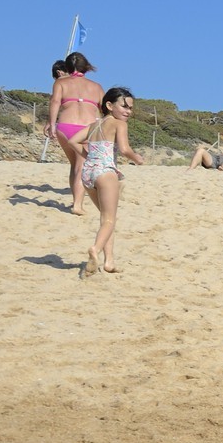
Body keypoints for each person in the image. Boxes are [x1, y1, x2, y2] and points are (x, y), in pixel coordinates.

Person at [68, 86, 143, 276]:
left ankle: (109, 262)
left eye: (130, 108)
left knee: (106, 218)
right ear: (109, 105)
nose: (127, 111)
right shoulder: (119, 124)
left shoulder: (94, 125)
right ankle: (96, 249)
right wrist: (137, 159)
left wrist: (89, 156)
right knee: (110, 219)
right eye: (124, 106)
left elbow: (73, 141)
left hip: (88, 173)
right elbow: (125, 149)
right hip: (105, 172)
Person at [46, 52, 104, 216]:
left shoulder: (60, 83)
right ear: (86, 66)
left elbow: (55, 102)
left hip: (64, 127)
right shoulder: (96, 87)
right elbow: (104, 110)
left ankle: (75, 200)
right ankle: (77, 205)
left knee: (75, 164)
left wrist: (51, 124)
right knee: (81, 165)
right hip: (86, 128)